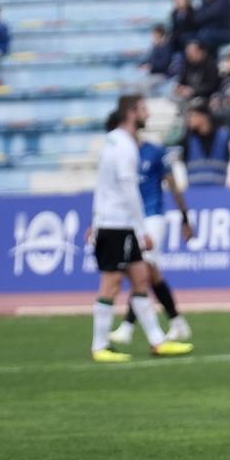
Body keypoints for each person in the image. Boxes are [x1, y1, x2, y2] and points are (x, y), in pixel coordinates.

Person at [87, 95, 194, 363]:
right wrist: (139, 227)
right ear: (132, 113)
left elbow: (103, 186)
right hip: (118, 224)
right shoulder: (125, 146)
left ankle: (157, 341)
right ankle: (99, 345)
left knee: (140, 279)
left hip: (114, 221)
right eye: (144, 109)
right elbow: (128, 189)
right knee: (111, 284)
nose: (148, 114)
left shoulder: (112, 141)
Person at [108, 132, 195, 347]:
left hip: (153, 217)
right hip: (131, 220)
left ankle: (128, 327)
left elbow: (173, 183)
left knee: (143, 268)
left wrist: (184, 217)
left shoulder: (155, 151)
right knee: (151, 273)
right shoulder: (120, 154)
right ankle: (177, 322)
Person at [182, 98, 230, 185]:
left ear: (204, 116)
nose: (189, 120)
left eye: (192, 115)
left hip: (219, 193)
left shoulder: (223, 137)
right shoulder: (187, 139)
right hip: (195, 194)